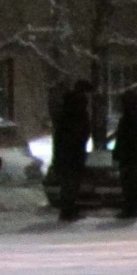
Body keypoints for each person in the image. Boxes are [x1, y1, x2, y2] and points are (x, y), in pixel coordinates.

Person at [52, 78, 93, 222]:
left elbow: (60, 134)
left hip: (66, 152)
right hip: (73, 152)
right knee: (71, 182)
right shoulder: (77, 111)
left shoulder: (66, 110)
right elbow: (82, 132)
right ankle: (68, 210)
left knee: (68, 182)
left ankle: (68, 209)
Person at [113, 88, 137, 219]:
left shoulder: (131, 118)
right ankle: (134, 207)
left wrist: (119, 153)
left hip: (130, 156)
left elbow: (124, 138)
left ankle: (131, 208)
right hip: (134, 155)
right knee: (132, 182)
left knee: (129, 183)